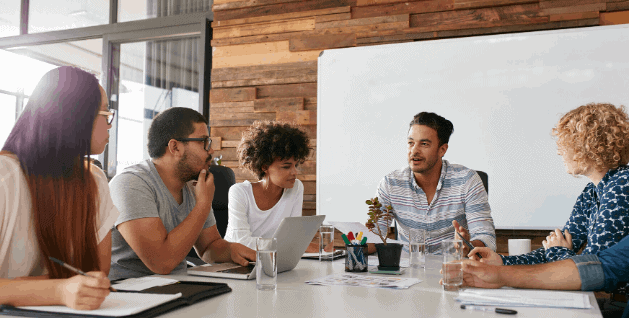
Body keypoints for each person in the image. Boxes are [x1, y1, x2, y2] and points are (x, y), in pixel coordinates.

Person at [467, 103, 629, 294]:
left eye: (566, 142)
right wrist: (502, 261)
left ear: (589, 145)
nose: (559, 151)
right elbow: (558, 247)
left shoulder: (622, 185)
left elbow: (592, 270)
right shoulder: (591, 191)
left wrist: (559, 251)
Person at [0, 66, 118, 309]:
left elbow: (97, 273)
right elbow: (79, 282)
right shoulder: (5, 177)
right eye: (106, 114)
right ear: (77, 118)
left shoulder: (94, 180)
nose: (110, 125)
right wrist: (58, 290)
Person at [108, 107, 255, 280]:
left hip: (176, 285)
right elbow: (161, 263)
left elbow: (208, 246)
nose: (211, 151)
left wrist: (231, 250)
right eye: (204, 142)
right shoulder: (130, 184)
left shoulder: (192, 187)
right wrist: (203, 204)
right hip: (128, 292)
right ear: (175, 147)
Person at [372, 112, 495, 254]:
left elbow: (487, 239)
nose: (414, 151)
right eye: (410, 143)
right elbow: (375, 236)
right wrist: (355, 244)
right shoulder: (390, 183)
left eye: (424, 144)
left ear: (442, 149)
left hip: (452, 270)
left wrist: (468, 245)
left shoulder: (467, 180)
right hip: (409, 271)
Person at [457, 235, 629, 318]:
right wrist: (501, 270)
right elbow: (602, 267)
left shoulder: (619, 187)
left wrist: (558, 251)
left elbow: (596, 272)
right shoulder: (590, 193)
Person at [224, 121, 318, 252]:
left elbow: (292, 238)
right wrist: (299, 246)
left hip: (272, 262)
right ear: (264, 166)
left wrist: (312, 248)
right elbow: (242, 242)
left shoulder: (296, 188)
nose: (295, 172)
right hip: (235, 263)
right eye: (286, 166)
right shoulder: (240, 192)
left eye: (295, 165)